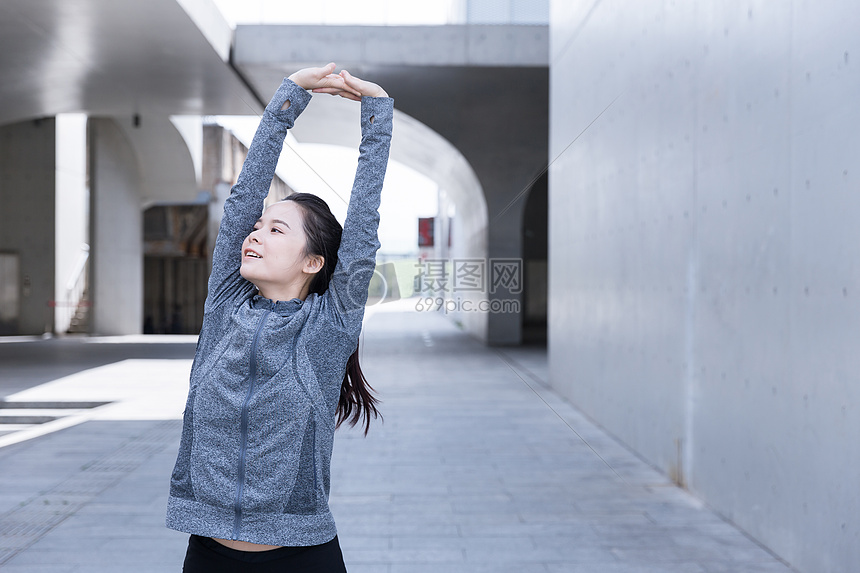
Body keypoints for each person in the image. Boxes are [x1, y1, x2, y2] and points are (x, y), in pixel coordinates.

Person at [165, 63, 393, 572]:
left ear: (314, 262)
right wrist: (289, 99)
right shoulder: (225, 306)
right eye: (258, 226)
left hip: (302, 557)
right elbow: (244, 194)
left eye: (277, 231)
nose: (255, 234)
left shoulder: (328, 328)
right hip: (208, 553)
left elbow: (362, 225)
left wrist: (376, 115)